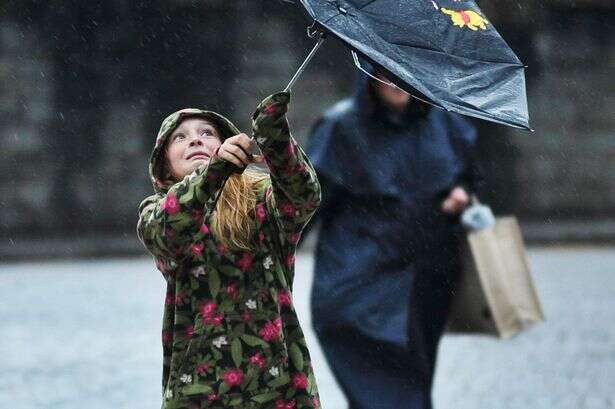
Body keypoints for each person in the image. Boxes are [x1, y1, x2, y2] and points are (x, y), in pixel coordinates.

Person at [305, 71, 480, 409]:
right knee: (382, 387)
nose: (396, 84)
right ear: (368, 78)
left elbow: (468, 173)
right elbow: (308, 203)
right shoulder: (341, 126)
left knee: (415, 376)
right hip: (360, 276)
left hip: (427, 276)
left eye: (402, 75)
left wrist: (461, 193)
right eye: (384, 75)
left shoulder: (441, 120)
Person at [137, 92, 321, 409]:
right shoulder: (156, 210)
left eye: (207, 133)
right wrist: (215, 171)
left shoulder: (262, 198)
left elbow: (305, 197)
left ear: (228, 144)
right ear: (165, 166)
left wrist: (274, 134)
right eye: (180, 137)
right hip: (199, 389)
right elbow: (167, 231)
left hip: (279, 387)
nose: (195, 140)